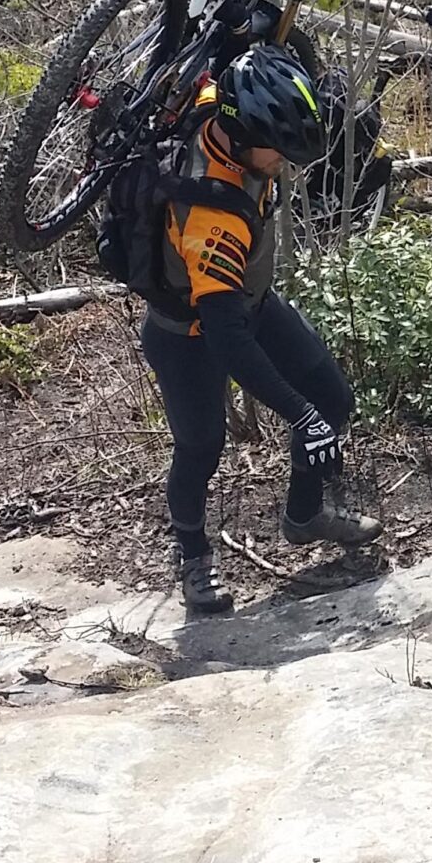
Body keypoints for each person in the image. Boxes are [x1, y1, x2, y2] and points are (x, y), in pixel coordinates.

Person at [143, 45, 384, 613]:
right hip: (189, 333)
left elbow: (248, 34)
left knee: (332, 395)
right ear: (244, 136)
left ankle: (304, 516)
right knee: (201, 446)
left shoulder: (217, 101)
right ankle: (194, 559)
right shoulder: (214, 218)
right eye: (279, 153)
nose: (285, 165)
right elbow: (226, 340)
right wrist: (298, 417)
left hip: (249, 300)